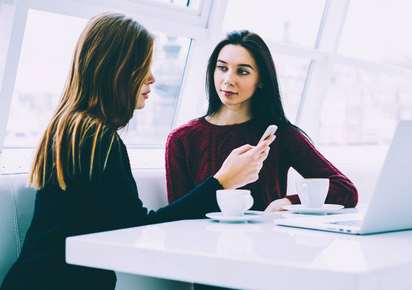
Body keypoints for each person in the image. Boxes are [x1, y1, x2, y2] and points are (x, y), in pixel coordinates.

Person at [0, 15, 274, 290]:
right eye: (142, 66)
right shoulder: (95, 139)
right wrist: (222, 181)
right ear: (115, 70)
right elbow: (137, 228)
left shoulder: (75, 128)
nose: (152, 77)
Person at [165, 30, 358, 212]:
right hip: (201, 246)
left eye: (242, 71)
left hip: (267, 244)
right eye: (222, 68)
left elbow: (345, 190)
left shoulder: (281, 135)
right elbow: (177, 216)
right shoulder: (182, 139)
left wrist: (288, 202)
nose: (228, 80)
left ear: (261, 80)